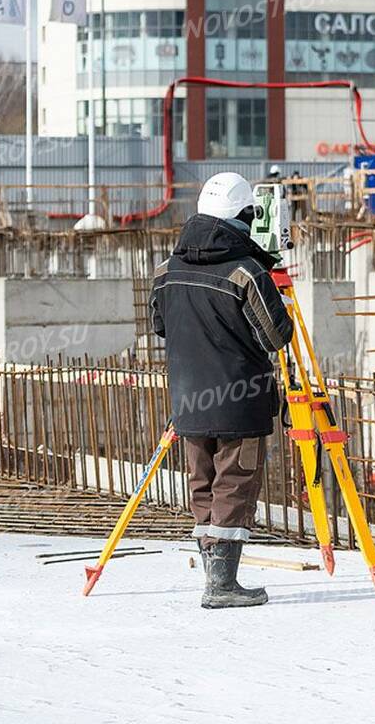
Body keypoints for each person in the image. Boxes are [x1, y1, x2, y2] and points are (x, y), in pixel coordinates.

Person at [150, 171, 294, 609]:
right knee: (233, 485)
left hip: (188, 403)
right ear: (245, 215)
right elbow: (276, 336)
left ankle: (214, 574)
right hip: (240, 404)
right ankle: (222, 584)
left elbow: (160, 326)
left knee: (202, 483)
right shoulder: (247, 272)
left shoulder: (166, 269)